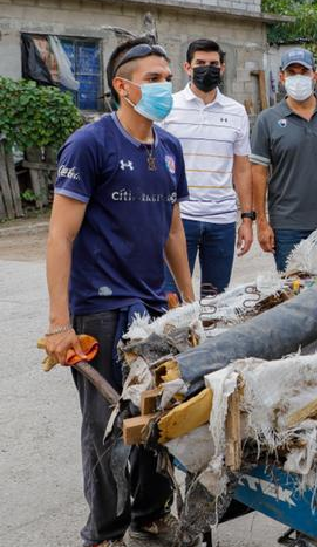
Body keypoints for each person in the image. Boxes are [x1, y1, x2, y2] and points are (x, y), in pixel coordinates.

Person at [43, 36, 194, 547]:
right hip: (101, 309)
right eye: (152, 79)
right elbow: (60, 235)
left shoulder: (169, 147)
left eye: (167, 77)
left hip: (154, 306)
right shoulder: (90, 144)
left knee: (158, 411)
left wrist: (188, 301)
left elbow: (174, 232)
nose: (163, 86)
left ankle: (149, 513)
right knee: (107, 424)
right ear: (122, 86)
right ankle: (105, 531)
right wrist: (60, 323)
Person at [250, 48, 317, 272]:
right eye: (292, 72)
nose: (297, 77)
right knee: (293, 294)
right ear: (282, 77)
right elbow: (258, 173)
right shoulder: (268, 120)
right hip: (288, 226)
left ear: (315, 76)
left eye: (304, 71)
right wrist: (262, 222)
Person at [159, 39, 253, 297]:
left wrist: (247, 219)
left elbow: (242, 168)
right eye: (201, 63)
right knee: (173, 297)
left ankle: (209, 338)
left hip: (221, 220)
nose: (207, 69)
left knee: (216, 298)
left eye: (214, 64)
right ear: (187, 67)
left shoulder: (236, 112)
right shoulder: (168, 107)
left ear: (222, 68)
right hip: (179, 218)